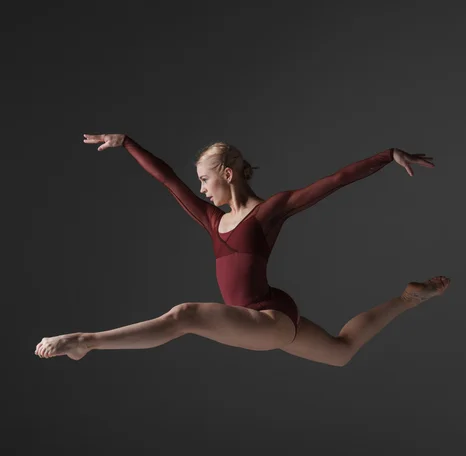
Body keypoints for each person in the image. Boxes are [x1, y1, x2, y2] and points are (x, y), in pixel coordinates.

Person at [35, 133, 450, 365]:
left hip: (266, 316)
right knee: (340, 352)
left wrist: (385, 155)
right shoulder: (212, 219)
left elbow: (337, 179)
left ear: (227, 174)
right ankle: (408, 298)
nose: (199, 187)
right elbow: (168, 180)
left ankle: (85, 340)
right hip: (267, 315)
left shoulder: (270, 211)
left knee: (186, 315)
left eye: (205, 179)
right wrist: (127, 142)